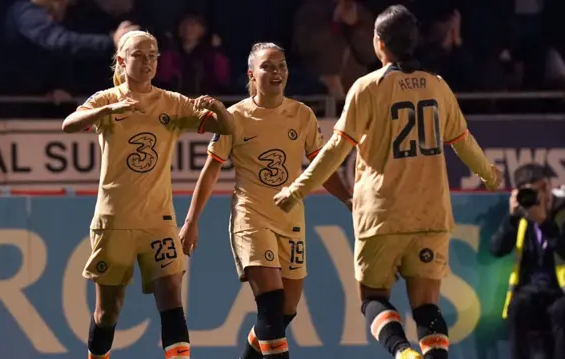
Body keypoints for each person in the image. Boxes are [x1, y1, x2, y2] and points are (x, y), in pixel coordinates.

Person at [273, 5, 502, 359]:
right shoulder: (437, 86)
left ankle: (402, 353)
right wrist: (489, 173)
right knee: (427, 305)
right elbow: (463, 142)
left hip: (382, 215)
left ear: (379, 44)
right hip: (430, 217)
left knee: (373, 298)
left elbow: (336, 150)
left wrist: (296, 189)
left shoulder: (368, 88)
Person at [61, 30, 234, 359]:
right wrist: (103, 114)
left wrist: (218, 108)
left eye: (153, 55)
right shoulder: (106, 100)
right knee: (108, 312)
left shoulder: (171, 102)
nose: (147, 62)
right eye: (139, 55)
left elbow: (226, 129)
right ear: (122, 60)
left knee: (171, 294)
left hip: (159, 220)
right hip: (115, 221)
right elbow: (69, 123)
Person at [179, 42, 352, 359]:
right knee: (270, 303)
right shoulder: (234, 118)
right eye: (268, 66)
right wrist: (191, 221)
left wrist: (349, 201)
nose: (276, 72)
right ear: (251, 74)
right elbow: (211, 170)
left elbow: (321, 167)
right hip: (252, 216)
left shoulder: (302, 115)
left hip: (291, 220)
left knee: (284, 313)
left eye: (281, 65)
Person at [490, 163, 565, 359]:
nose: (541, 196)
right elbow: (497, 249)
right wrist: (512, 218)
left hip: (560, 290)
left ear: (550, 186)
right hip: (532, 289)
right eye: (533, 192)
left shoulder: (563, 211)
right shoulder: (522, 215)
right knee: (517, 307)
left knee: (562, 310)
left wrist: (545, 223)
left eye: (543, 189)